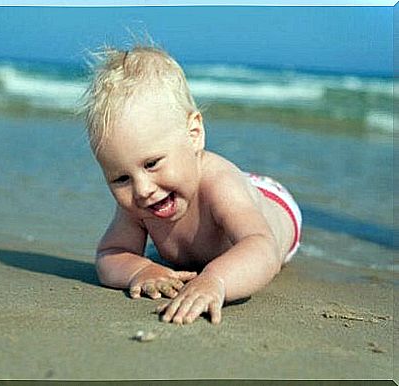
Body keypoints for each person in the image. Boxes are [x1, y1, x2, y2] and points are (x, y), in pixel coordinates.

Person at [81, 44, 302, 325]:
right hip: (217, 189)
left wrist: (216, 280)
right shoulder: (139, 196)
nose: (142, 189)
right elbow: (110, 254)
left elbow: (261, 248)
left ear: (194, 134)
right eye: (121, 178)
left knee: (242, 208)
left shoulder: (219, 185)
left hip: (275, 202)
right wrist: (140, 270)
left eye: (152, 164)